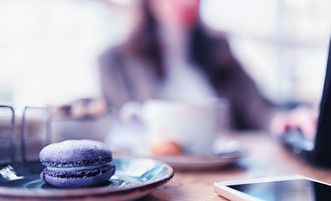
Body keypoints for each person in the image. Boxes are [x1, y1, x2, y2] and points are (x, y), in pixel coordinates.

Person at [98, 0, 316, 137]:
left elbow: (260, 109)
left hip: (221, 176)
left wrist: (282, 120)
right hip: (156, 178)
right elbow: (119, 129)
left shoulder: (218, 49)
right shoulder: (113, 62)